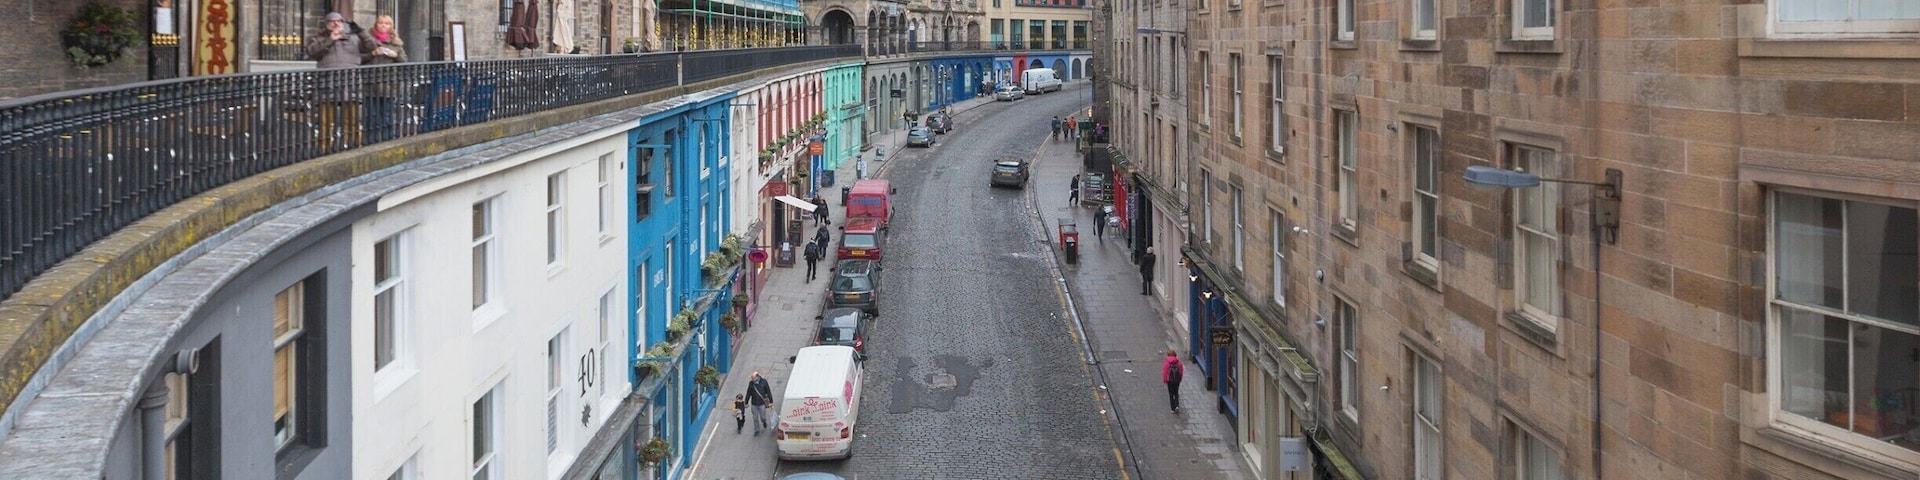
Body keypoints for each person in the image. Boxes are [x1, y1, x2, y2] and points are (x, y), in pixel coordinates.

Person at [306, 12, 377, 151]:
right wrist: (330, 40)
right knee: (325, 121)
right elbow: (312, 52)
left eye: (338, 21)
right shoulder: (318, 38)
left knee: (352, 120)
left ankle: (354, 146)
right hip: (327, 83)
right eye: (332, 21)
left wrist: (361, 31)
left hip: (350, 83)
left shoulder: (354, 38)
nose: (335, 23)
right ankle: (324, 149)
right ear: (326, 23)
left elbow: (371, 46)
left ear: (343, 22)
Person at [361, 14, 407, 143]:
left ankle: (387, 139)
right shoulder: (368, 42)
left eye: (386, 24)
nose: (383, 25)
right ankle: (370, 140)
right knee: (371, 115)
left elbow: (405, 61)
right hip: (371, 84)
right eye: (381, 23)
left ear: (390, 27)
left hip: (389, 85)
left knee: (387, 115)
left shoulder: (396, 43)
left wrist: (395, 55)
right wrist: (372, 53)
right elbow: (359, 59)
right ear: (376, 25)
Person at [1162, 349, 1184, 413]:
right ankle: (1177, 406)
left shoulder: (1167, 362)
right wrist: (1180, 379)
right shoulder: (1178, 362)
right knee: (1176, 393)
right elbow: (1181, 372)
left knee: (1171, 394)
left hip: (1170, 381)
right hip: (1177, 380)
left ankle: (1172, 409)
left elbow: (1165, 372)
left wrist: (1165, 380)